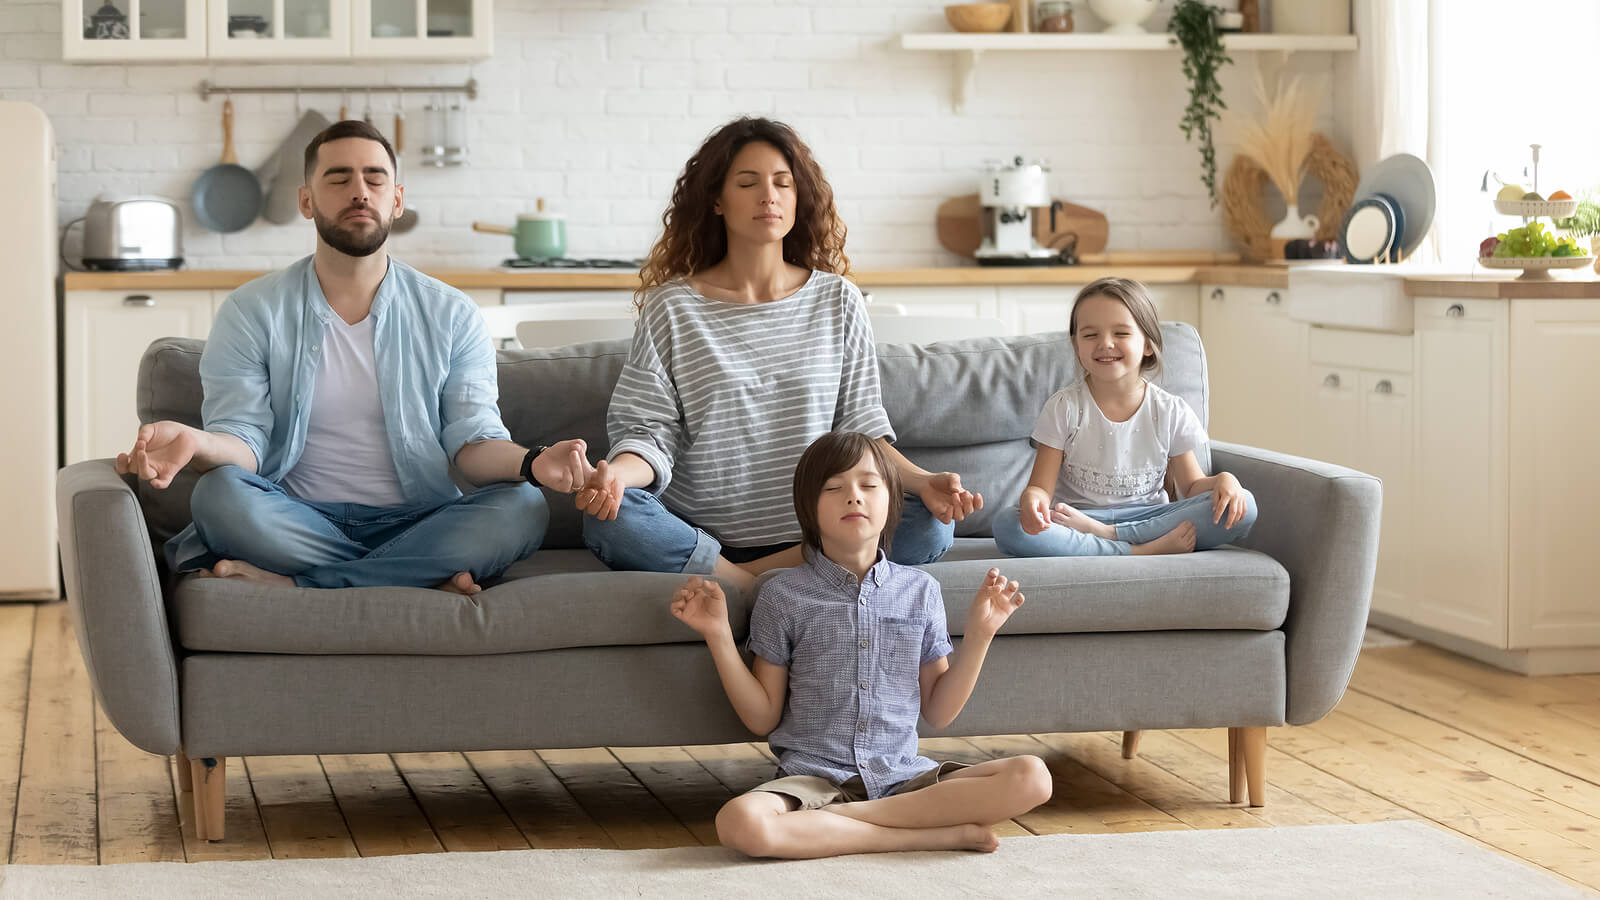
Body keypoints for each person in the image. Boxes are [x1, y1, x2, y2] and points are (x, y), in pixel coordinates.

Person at [117, 120, 589, 592]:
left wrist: (534, 462)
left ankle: (300, 586)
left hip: (420, 520)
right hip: (296, 516)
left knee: (523, 505)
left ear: (397, 199)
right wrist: (198, 443)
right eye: (339, 179)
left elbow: (473, 443)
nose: (359, 192)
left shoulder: (451, 313)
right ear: (306, 201)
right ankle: (414, 579)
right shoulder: (251, 310)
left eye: (375, 178)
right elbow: (245, 440)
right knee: (219, 494)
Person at [578, 117, 981, 592]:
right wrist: (615, 478)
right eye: (747, 183)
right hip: (700, 534)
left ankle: (741, 583)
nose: (767, 195)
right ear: (716, 201)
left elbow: (861, 432)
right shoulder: (673, 306)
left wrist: (922, 482)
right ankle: (758, 581)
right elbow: (649, 432)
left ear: (797, 199)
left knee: (929, 521)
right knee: (609, 517)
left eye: (782, 183)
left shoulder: (838, 300)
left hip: (820, 530)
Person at [670, 431, 1052, 859]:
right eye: (834, 488)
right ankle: (925, 835)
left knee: (1033, 777)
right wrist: (718, 635)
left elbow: (939, 713)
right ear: (809, 510)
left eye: (869, 486)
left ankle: (844, 827)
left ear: (890, 502)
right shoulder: (781, 595)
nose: (853, 497)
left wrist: (981, 634)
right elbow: (762, 718)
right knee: (739, 821)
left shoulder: (921, 591)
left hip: (904, 778)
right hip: (812, 783)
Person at [992, 277, 1257, 558]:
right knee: (1008, 525)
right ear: (1076, 345)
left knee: (1245, 506)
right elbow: (1039, 489)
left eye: (1121, 333)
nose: (1105, 343)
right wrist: (1033, 501)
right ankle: (1138, 551)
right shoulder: (1063, 407)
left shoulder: (1170, 410)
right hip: (1076, 520)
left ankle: (1111, 539)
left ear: (1148, 344)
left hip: (1150, 519)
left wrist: (1224, 480)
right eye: (1090, 335)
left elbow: (1191, 487)